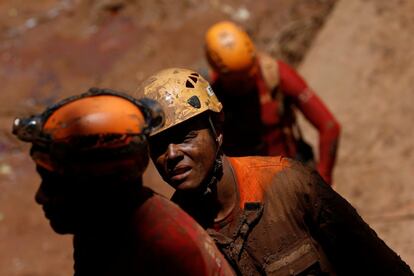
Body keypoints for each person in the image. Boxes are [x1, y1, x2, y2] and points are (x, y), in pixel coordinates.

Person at [135, 68, 413, 275]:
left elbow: (381, 266)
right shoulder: (174, 237)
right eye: (158, 145)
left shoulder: (289, 185)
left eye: (185, 137)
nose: (171, 155)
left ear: (217, 129)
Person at [12, 88, 234, 276]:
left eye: (53, 183)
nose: (39, 196)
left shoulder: (166, 251)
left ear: (96, 187)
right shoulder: (100, 230)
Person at [204, 21, 340, 185]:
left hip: (291, 175)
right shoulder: (211, 100)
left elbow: (330, 126)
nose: (246, 83)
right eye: (238, 81)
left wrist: (323, 180)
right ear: (218, 73)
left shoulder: (275, 76)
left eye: (249, 75)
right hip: (246, 186)